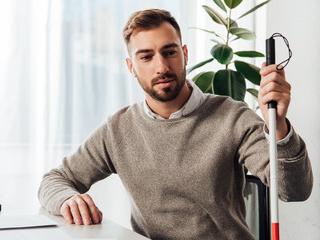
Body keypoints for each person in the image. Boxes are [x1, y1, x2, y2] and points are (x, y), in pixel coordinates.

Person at [38, 9, 313, 240]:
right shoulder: (118, 129)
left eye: (169, 52)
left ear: (184, 54)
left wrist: (277, 125)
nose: (161, 67)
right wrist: (66, 199)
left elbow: (294, 191)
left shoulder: (232, 117)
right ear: (131, 66)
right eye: (146, 57)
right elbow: (53, 181)